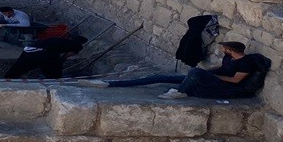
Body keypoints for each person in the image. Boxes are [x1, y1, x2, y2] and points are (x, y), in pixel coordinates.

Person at [80, 41, 272, 100]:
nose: (223, 51)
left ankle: (181, 92)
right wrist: (208, 72)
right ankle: (109, 83)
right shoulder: (229, 58)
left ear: (231, 50)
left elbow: (236, 81)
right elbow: (221, 68)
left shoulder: (246, 63)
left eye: (225, 49)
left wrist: (205, 75)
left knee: (195, 74)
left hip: (228, 86)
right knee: (160, 77)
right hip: (213, 78)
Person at [4, 36, 88, 79]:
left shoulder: (61, 40)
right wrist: (60, 62)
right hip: (42, 52)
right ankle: (55, 81)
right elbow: (66, 56)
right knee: (53, 68)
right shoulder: (77, 46)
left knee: (20, 66)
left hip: (29, 49)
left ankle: (8, 78)